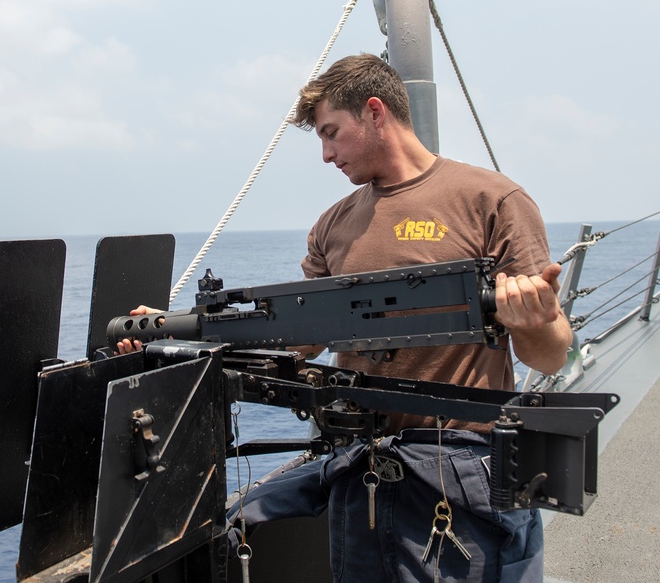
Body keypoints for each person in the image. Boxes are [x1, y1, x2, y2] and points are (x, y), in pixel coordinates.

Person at [118, 53, 571, 581]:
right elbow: (297, 340)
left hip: (458, 468)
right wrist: (173, 334)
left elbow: (550, 352)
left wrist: (531, 318)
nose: (327, 155)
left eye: (332, 133)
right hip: (360, 470)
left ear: (375, 112)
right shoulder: (333, 224)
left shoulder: (489, 200)